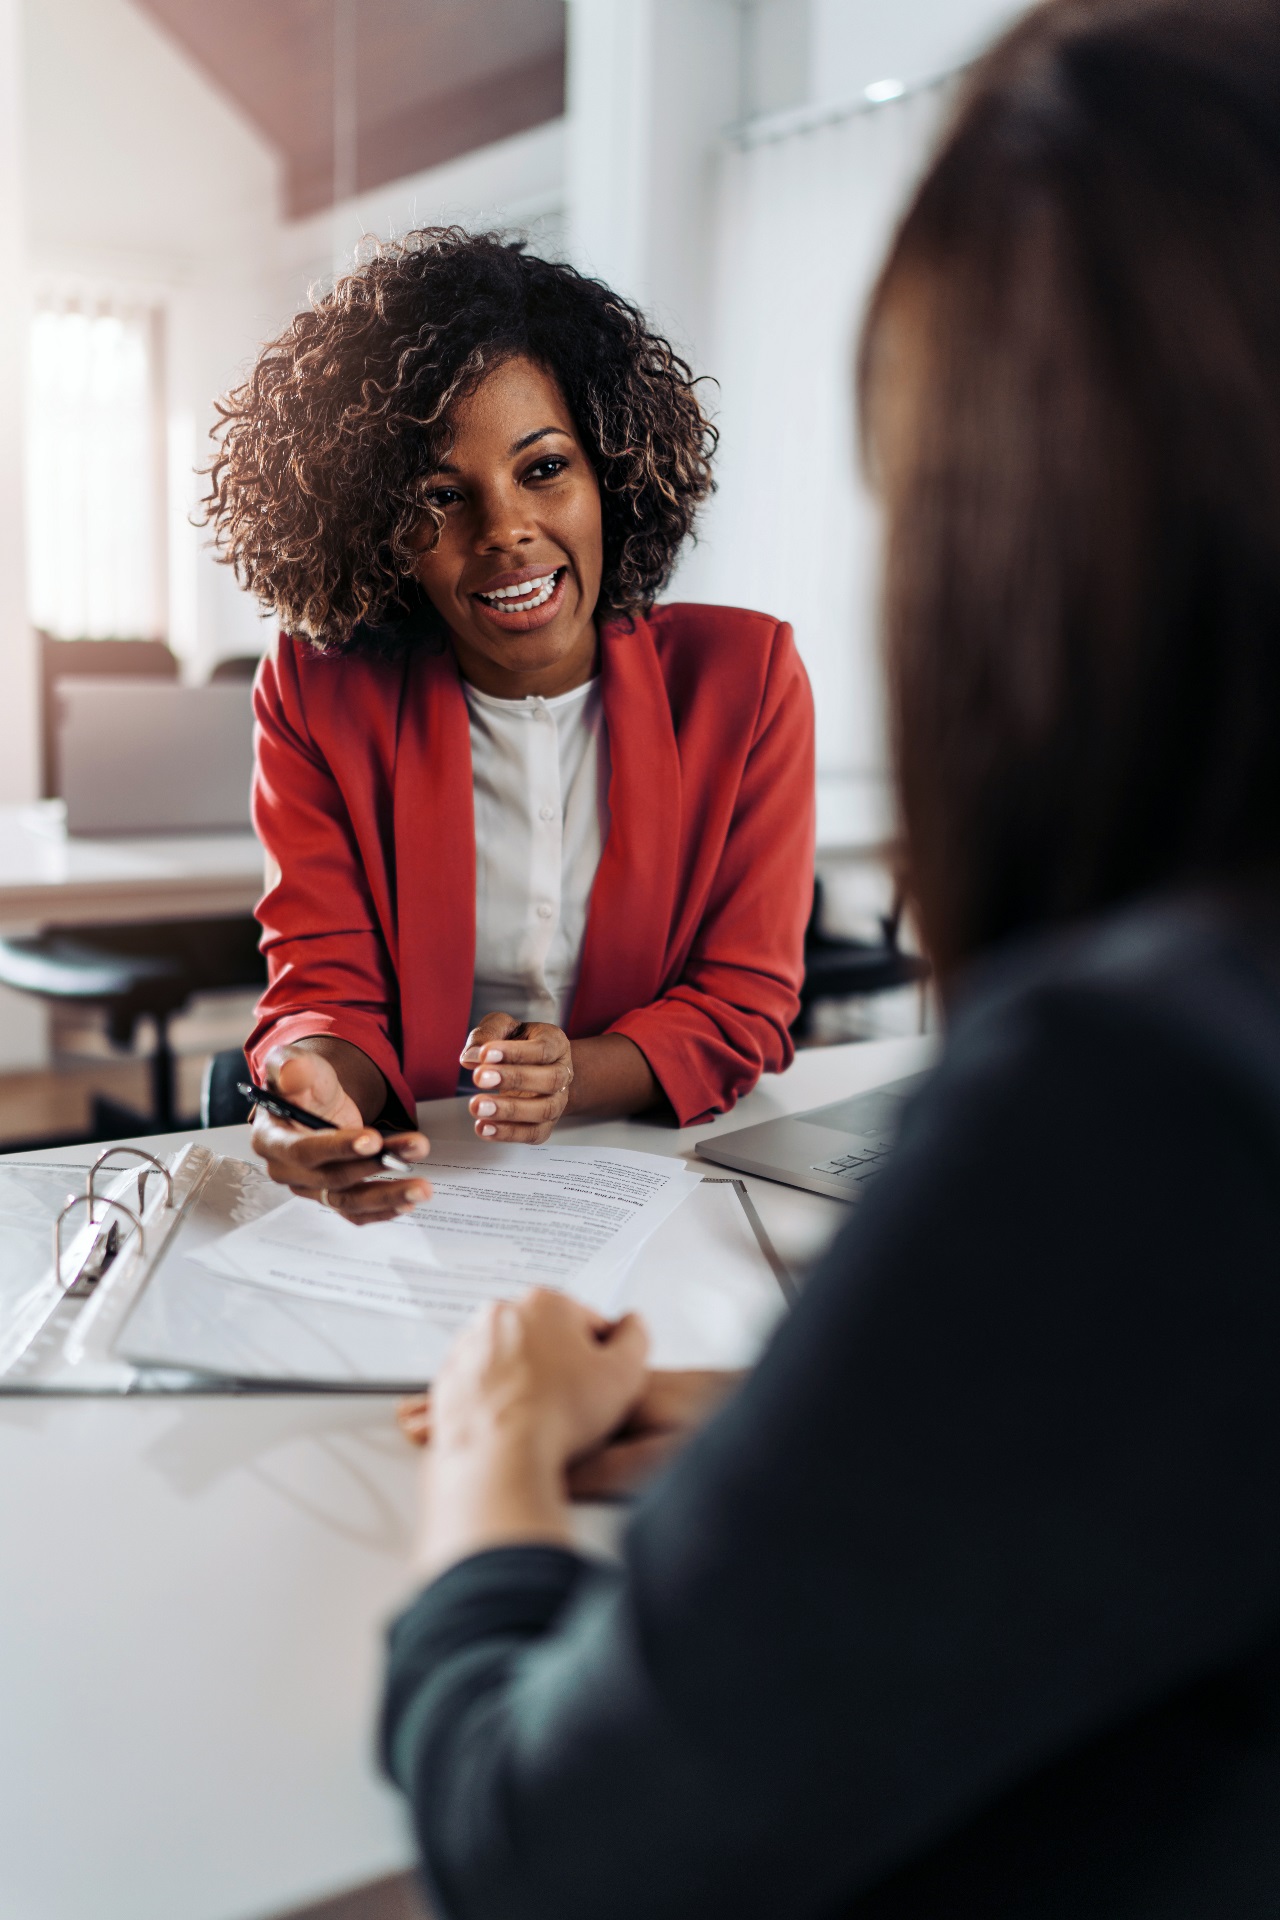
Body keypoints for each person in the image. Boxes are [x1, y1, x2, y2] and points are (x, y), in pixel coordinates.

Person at [379, 1, 1280, 1914]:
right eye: (445, 495)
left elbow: (553, 1850)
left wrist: (500, 1450)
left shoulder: (1135, 1094)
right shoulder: (339, 703)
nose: (504, 532)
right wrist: (846, 1421)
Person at [204, 232, 814, 1224]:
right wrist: (309, 1088)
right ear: (373, 527)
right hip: (423, 1192)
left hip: (666, 1178)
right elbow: (325, 988)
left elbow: (743, 1002)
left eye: (543, 468)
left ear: (609, 472)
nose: (503, 531)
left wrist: (575, 1074)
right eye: (439, 497)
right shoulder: (317, 689)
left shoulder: (744, 680)